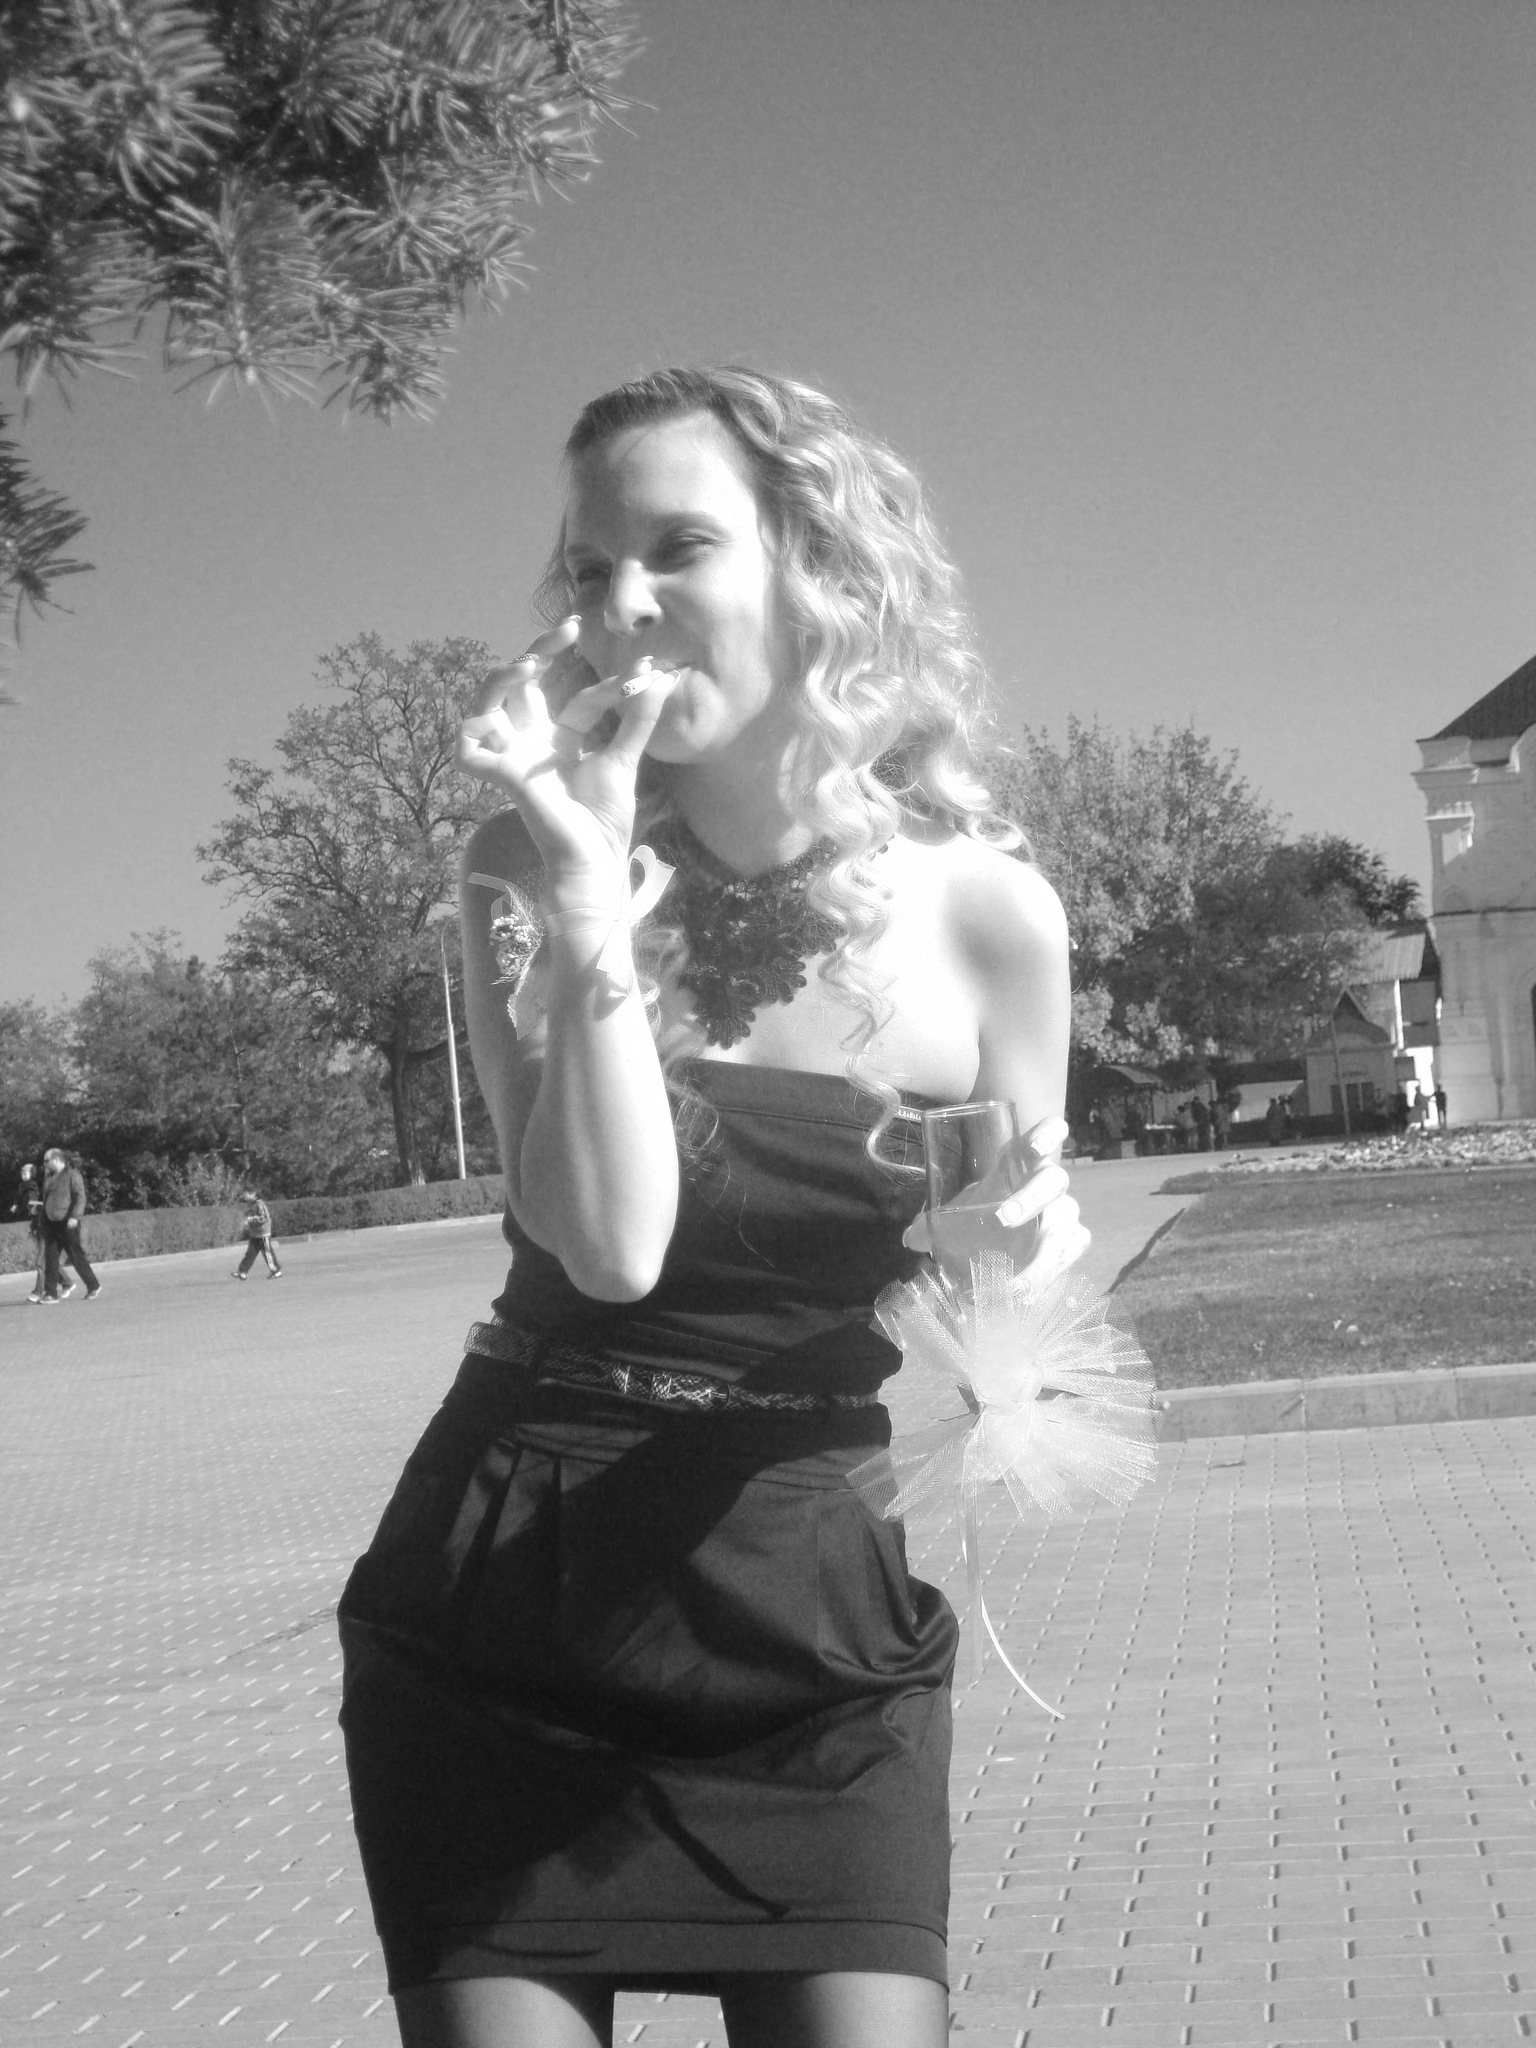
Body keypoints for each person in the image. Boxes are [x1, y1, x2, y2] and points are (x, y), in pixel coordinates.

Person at [335, 367, 1084, 2048]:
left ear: (822, 571)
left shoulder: (988, 916)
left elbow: (1011, 1282)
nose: (624, 606)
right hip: (511, 1589)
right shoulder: (519, 865)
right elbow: (606, 1248)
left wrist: (1017, 1261)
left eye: (678, 548)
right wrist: (589, 892)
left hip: (806, 1598)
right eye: (589, 566)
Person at [40, 1148, 101, 1301]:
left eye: (46, 1161)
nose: (44, 1164)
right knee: (50, 1258)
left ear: (56, 1160)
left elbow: (80, 1197)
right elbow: (47, 1198)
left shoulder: (72, 1175)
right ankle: (50, 1293)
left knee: (76, 1257)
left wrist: (75, 1216)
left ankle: (93, 1286)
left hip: (67, 1222)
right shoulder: (48, 1177)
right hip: (51, 1223)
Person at [10, 1161, 49, 1302]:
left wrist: (33, 1208)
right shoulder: (23, 1186)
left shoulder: (31, 1186)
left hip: (41, 1223)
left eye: (25, 1172)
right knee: (46, 1260)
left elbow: (33, 1202)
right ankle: (66, 1282)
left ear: (31, 1174)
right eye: (21, 1173)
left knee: (40, 1262)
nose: (23, 1175)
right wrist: (16, 1205)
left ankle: (38, 1291)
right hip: (36, 1223)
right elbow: (20, 1198)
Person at [234, 1189, 283, 1279]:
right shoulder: (250, 1205)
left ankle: (276, 1271)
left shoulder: (259, 1204)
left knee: (267, 1253)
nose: (244, 1196)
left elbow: (264, 1217)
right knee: (250, 1254)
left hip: (263, 1234)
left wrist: (251, 1219)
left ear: (253, 1194)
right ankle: (242, 1272)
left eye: (246, 1194)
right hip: (255, 1234)